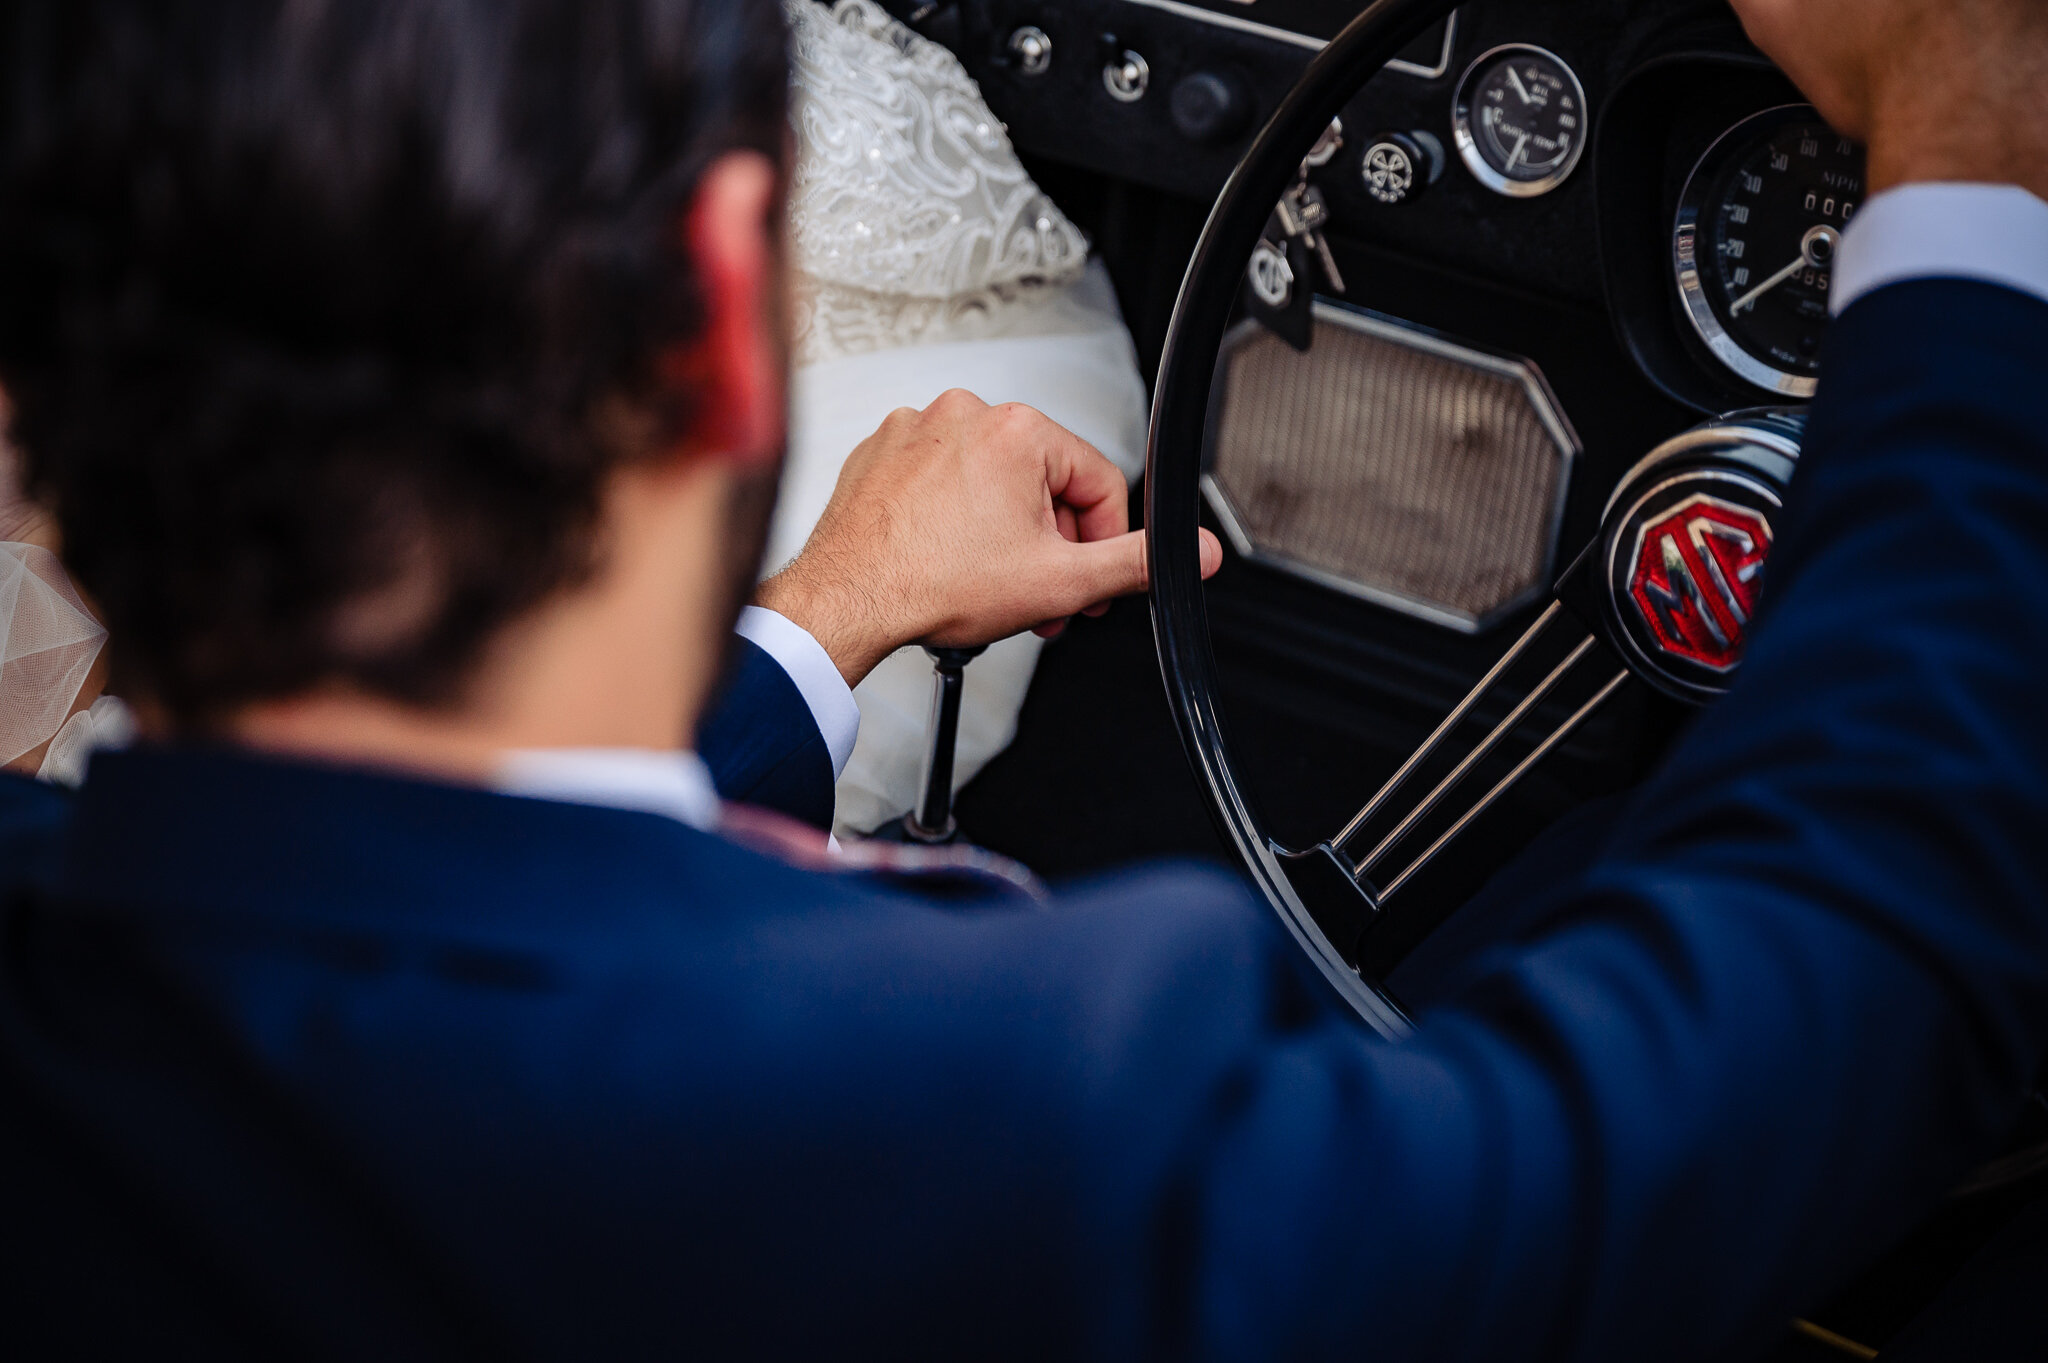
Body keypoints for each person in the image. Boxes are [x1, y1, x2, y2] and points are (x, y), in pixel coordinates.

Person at [0, 2, 2044, 1360]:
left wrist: (823, 624)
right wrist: (1972, 132)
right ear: (728, 313)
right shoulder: (1020, 1126)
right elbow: (1855, 955)